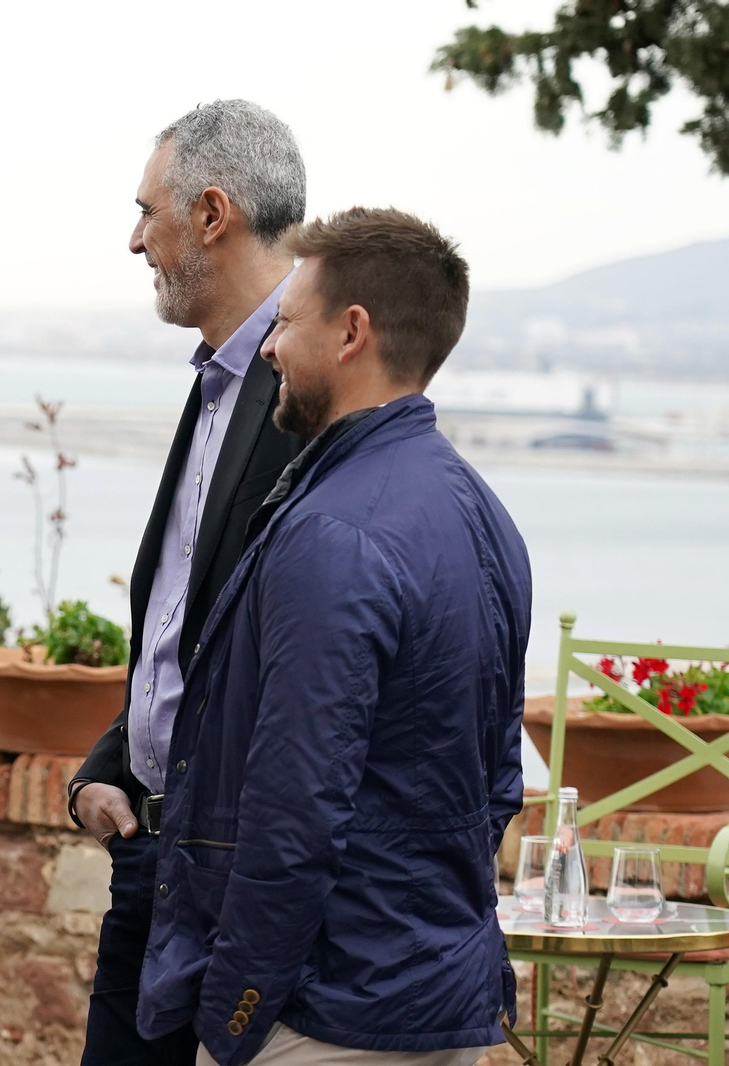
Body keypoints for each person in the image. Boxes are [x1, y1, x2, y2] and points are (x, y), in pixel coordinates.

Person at [138, 208, 531, 1066]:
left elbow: (292, 812)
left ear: (351, 332)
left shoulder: (335, 533)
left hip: (325, 1015)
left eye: (283, 322)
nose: (270, 348)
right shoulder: (485, 517)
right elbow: (500, 778)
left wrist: (237, 1015)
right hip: (436, 999)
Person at [66, 100, 307, 1065]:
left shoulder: (308, 389)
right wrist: (112, 763)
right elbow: (187, 625)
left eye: (147, 212)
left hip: (233, 886)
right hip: (151, 864)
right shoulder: (216, 378)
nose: (135, 240)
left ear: (212, 214)